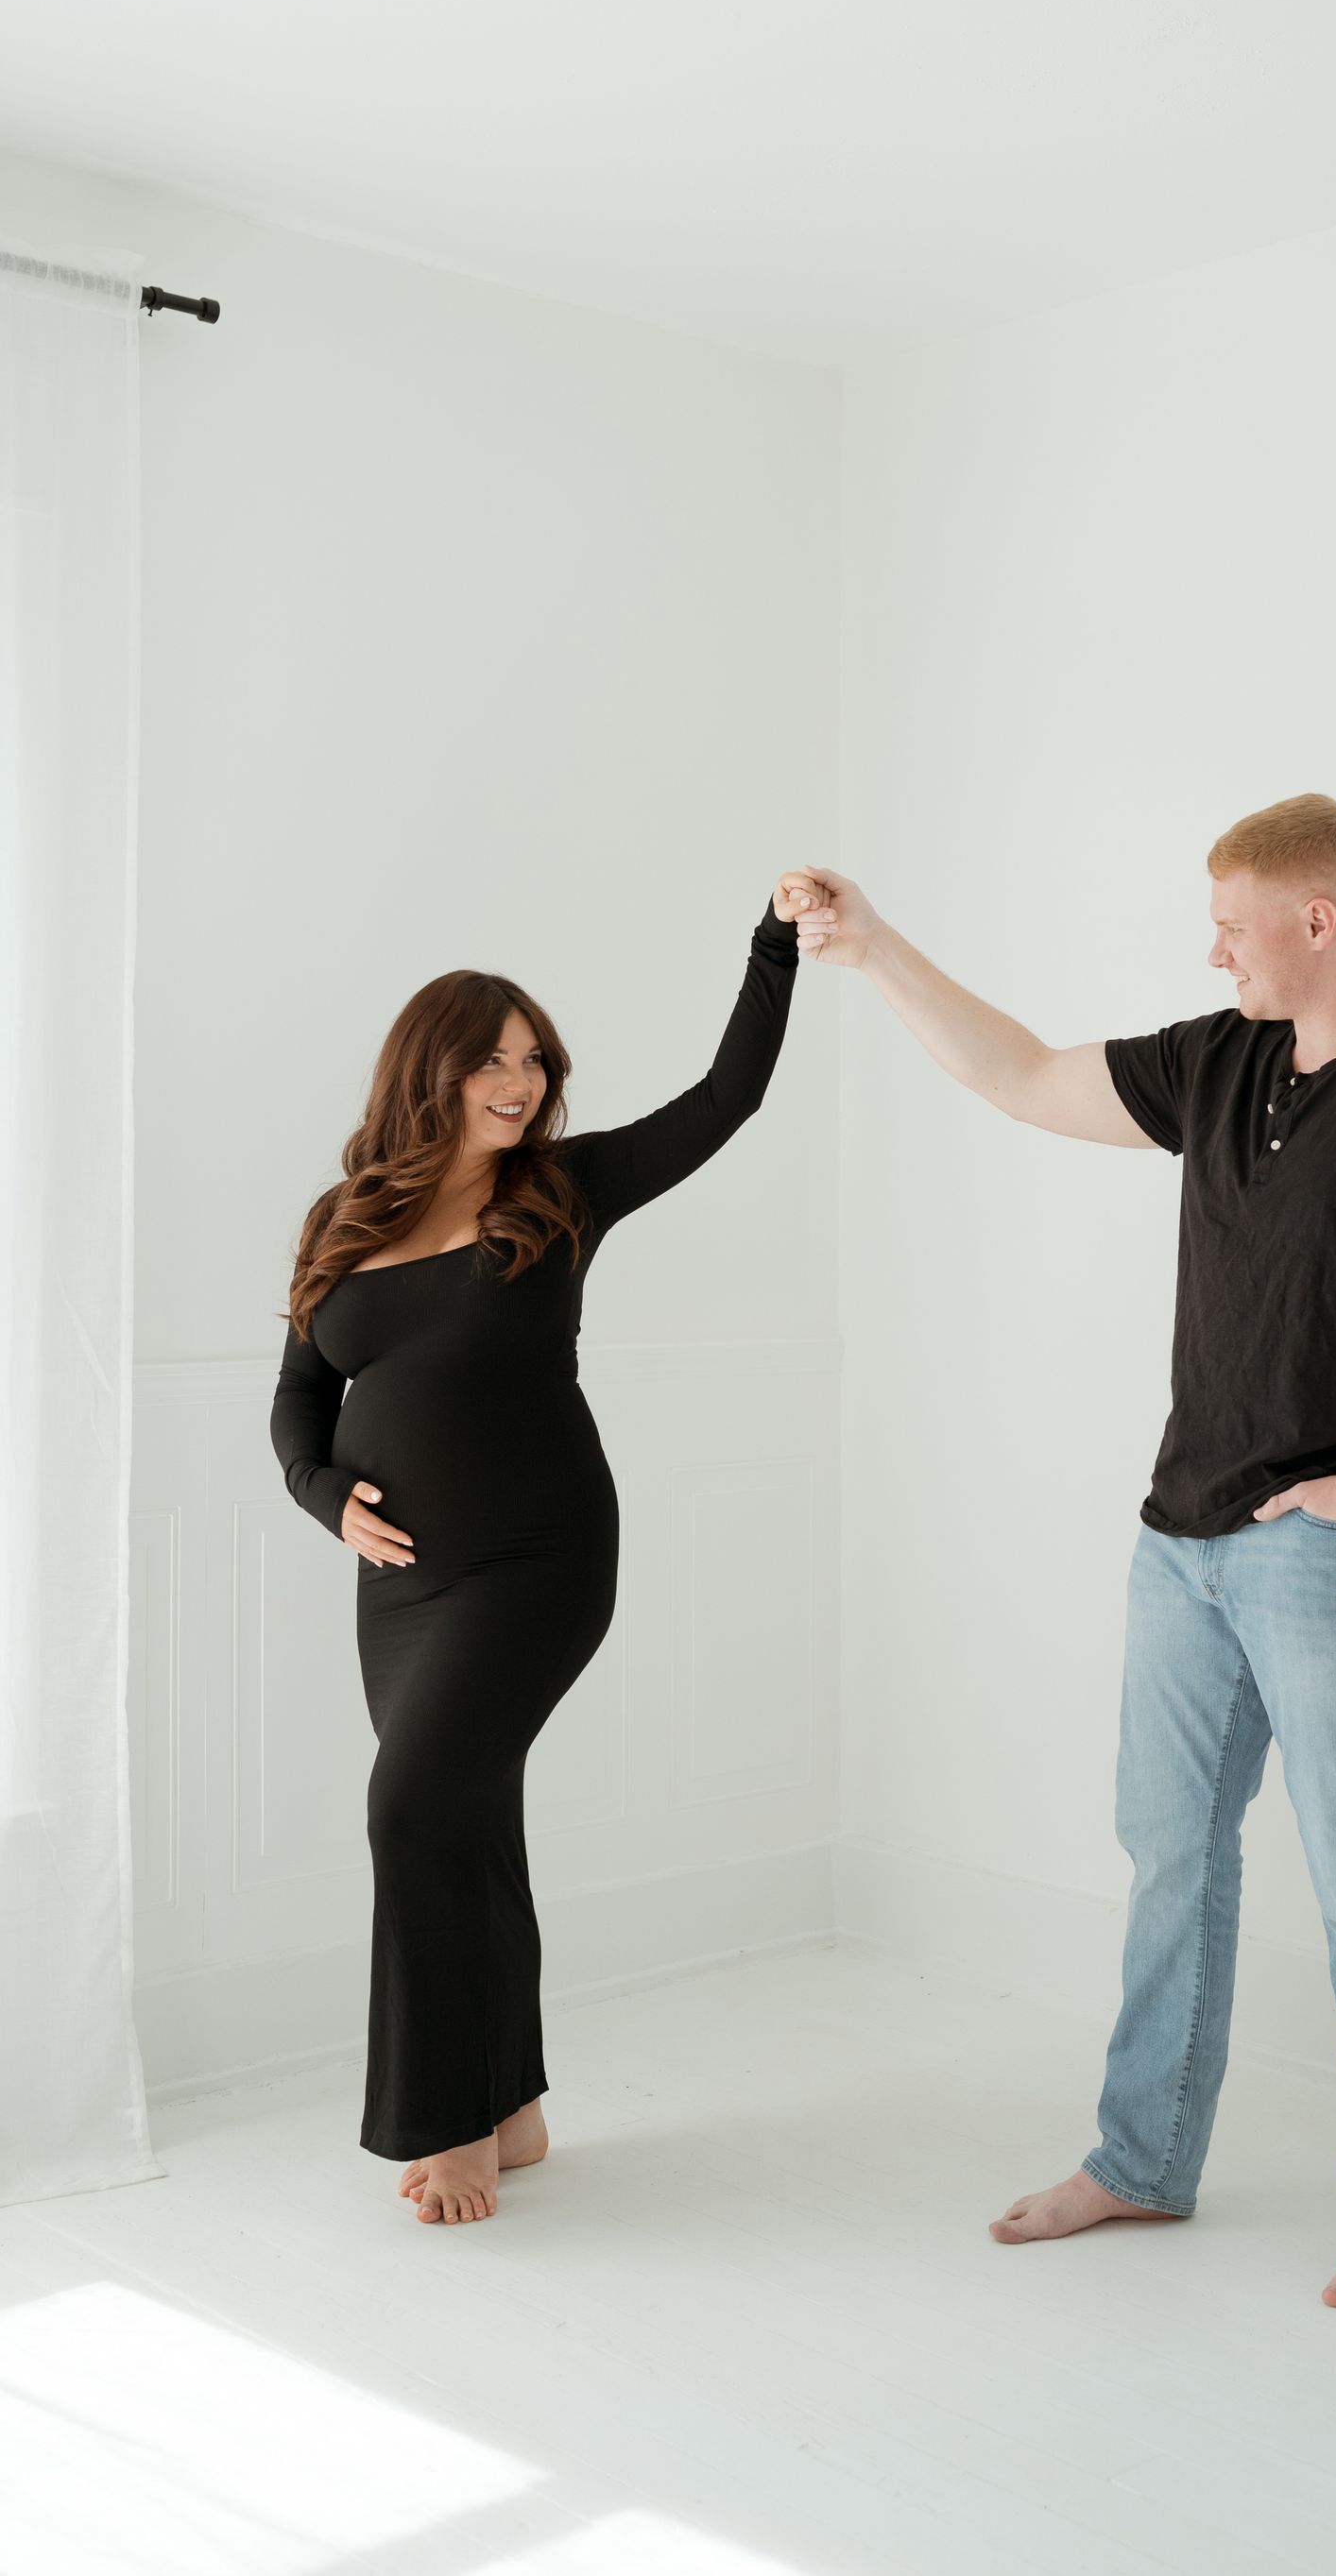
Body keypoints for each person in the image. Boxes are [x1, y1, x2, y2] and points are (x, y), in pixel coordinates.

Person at [792, 793, 1336, 2311]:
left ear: (1318, 919)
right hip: (1186, 1540)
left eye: (1233, 924)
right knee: (1170, 1854)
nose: (1215, 950)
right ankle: (1144, 2159)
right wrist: (875, 949)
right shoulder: (1224, 1061)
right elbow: (1023, 1074)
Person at [269, 874, 817, 2225]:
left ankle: (445, 2123)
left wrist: (773, 944)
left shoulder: (562, 1191)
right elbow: (298, 1397)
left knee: (410, 1809)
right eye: (493, 1061)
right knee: (465, 1818)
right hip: (401, 1587)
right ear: (431, 1071)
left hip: (539, 1560)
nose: (520, 1085)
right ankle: (509, 2105)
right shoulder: (343, 1217)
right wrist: (324, 1494)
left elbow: (726, 1097)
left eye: (534, 1062)